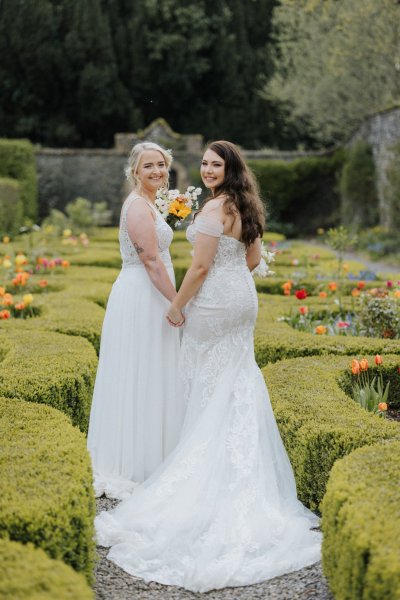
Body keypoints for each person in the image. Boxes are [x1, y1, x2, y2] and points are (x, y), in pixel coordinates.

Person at [95, 141, 321, 592]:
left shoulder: (213, 211)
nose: (207, 169)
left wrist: (178, 307)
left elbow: (198, 269)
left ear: (228, 169)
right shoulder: (248, 205)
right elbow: (253, 260)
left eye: (214, 164)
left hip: (215, 302)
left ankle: (200, 468)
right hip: (243, 301)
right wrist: (227, 269)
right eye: (204, 163)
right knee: (238, 381)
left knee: (205, 384)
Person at [87, 142, 185, 500]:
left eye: (161, 165)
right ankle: (138, 462)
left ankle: (158, 454)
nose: (157, 171)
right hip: (143, 296)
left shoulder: (150, 203)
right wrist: (176, 303)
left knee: (155, 372)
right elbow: (152, 263)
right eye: (149, 166)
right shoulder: (137, 208)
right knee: (140, 372)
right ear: (135, 171)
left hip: (151, 293)